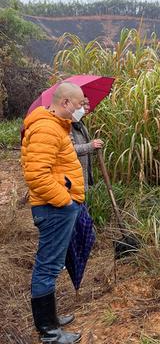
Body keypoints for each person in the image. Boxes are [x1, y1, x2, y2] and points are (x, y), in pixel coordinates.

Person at [22, 82, 86, 343]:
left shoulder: (55, 127)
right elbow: (36, 175)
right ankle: (49, 332)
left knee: (51, 265)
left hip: (56, 207)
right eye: (80, 103)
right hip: (54, 208)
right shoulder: (47, 128)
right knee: (47, 267)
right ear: (65, 103)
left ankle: (51, 320)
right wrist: (66, 201)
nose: (82, 108)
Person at [71, 97, 103, 191]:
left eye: (88, 104)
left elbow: (83, 143)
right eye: (83, 104)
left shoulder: (80, 123)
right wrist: (91, 146)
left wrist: (94, 143)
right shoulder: (67, 125)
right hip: (74, 176)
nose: (87, 107)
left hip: (83, 173)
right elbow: (70, 149)